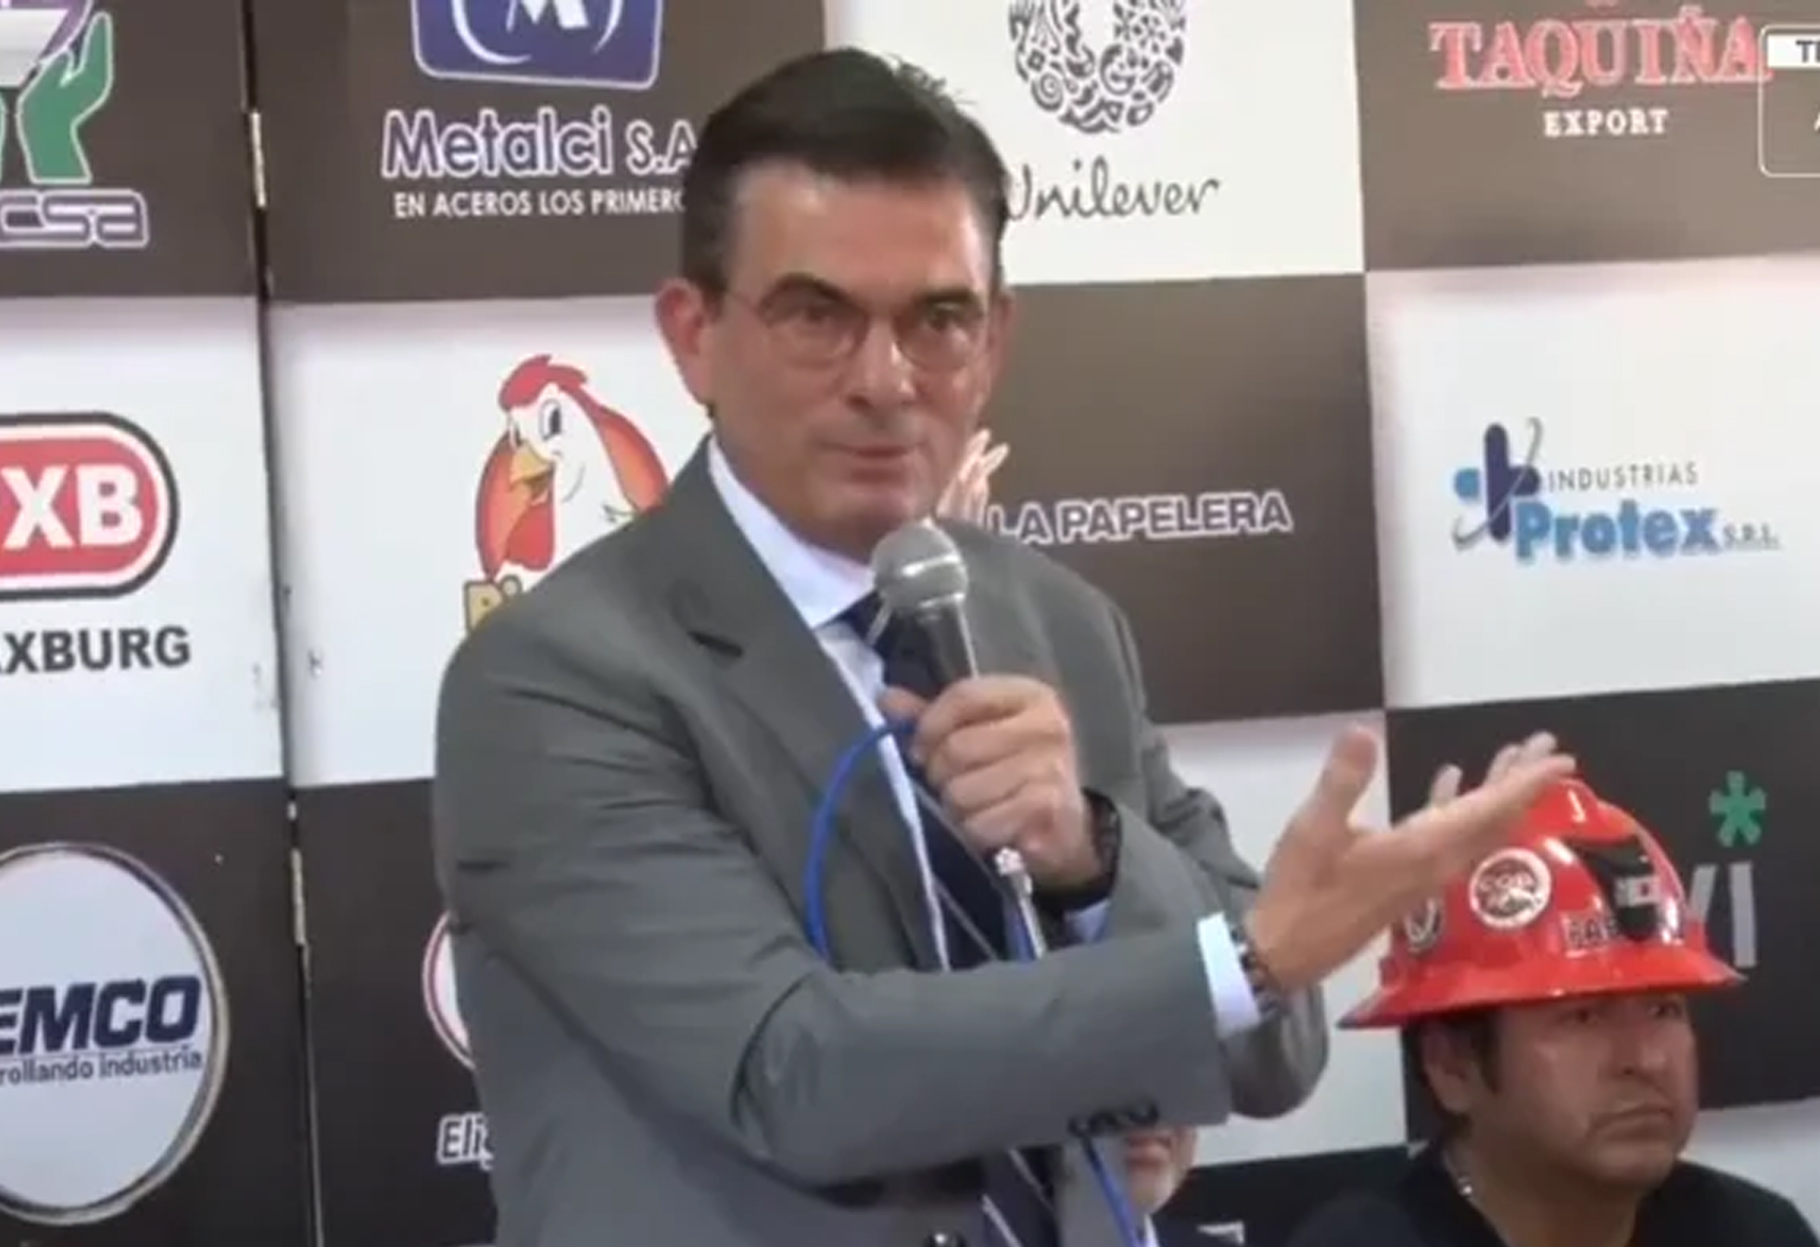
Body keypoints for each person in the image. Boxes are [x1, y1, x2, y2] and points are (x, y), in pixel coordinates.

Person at [430, 47, 1573, 1247]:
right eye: (816, 316)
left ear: (995, 341)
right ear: (693, 334)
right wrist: (1237, 960)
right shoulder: (557, 677)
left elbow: (1270, 1052)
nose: (885, 381)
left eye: (937, 320)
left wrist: (1089, 858)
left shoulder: (1055, 620)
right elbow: (795, 1074)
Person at [1282, 776, 1820, 1247]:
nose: (1645, 1060)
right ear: (1451, 1065)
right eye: (1583, 1017)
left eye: (1663, 1009)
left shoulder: (1757, 1234)